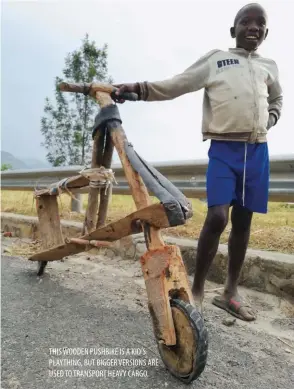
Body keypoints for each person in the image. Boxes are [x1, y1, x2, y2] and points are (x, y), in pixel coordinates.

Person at [114, 3, 283, 321]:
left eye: (260, 23)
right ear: (233, 30)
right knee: (218, 217)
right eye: (245, 22)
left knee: (243, 223)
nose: (253, 27)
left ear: (266, 32)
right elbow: (179, 83)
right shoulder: (217, 59)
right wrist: (140, 89)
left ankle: (230, 293)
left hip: (257, 152)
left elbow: (277, 98)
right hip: (224, 150)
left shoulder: (269, 66)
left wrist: (271, 117)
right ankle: (200, 290)